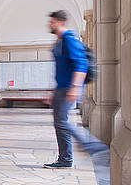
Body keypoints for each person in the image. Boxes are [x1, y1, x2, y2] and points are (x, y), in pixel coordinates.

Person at [43, 10, 107, 168]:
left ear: (60, 22)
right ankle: (65, 158)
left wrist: (75, 87)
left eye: (52, 22)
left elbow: (81, 64)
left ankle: (90, 146)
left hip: (69, 88)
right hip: (62, 88)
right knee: (59, 123)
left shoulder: (69, 40)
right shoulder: (59, 42)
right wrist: (54, 91)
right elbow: (62, 70)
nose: (50, 25)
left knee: (61, 122)